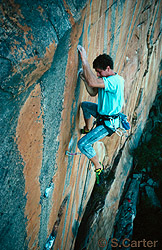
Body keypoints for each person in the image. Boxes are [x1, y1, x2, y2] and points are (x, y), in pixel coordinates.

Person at [77, 45, 124, 184]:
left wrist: (84, 60)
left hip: (108, 123)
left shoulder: (115, 81)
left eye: (99, 71)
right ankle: (87, 128)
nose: (97, 74)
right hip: (103, 114)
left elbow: (93, 81)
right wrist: (85, 80)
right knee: (85, 106)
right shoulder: (106, 80)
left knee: (83, 144)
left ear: (108, 68)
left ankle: (98, 166)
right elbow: (93, 91)